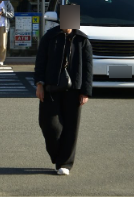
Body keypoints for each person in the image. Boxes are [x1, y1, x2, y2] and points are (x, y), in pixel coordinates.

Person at [34, 22, 93, 176]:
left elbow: (88, 67)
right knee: (48, 124)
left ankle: (65, 162)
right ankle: (57, 154)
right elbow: (40, 61)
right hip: (51, 87)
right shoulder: (50, 37)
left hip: (74, 89)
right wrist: (39, 84)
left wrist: (85, 91)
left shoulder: (82, 39)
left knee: (71, 127)